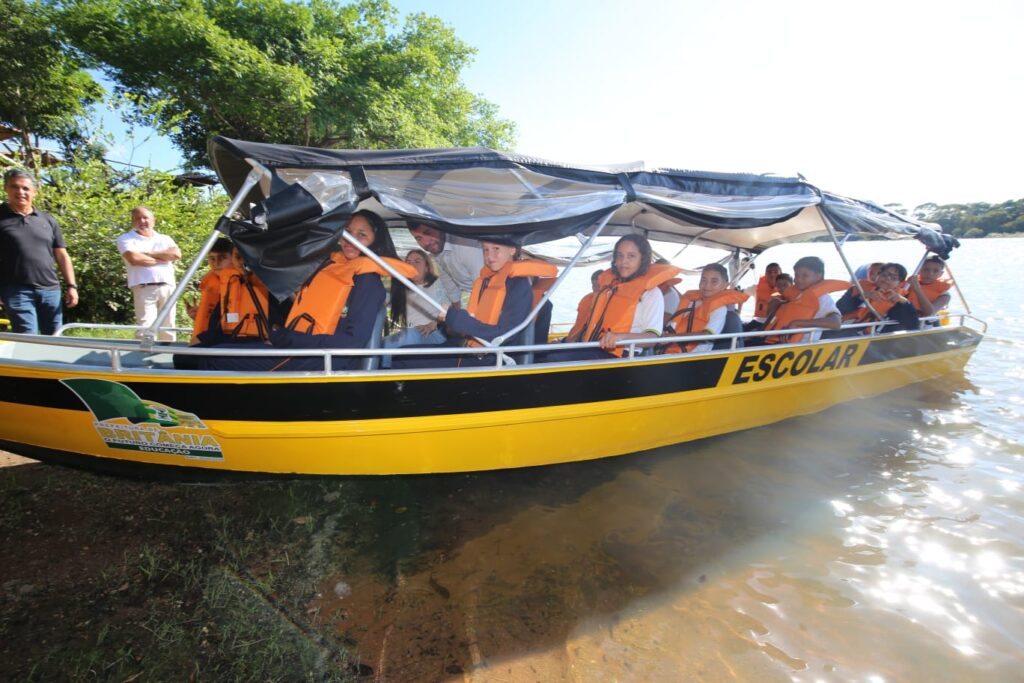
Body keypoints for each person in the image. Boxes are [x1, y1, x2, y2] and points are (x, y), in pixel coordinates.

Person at [197, 211, 414, 371]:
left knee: (208, 359)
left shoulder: (367, 282)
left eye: (362, 234)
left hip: (315, 359)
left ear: (376, 242)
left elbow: (351, 343)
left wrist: (285, 338)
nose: (351, 240)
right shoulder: (333, 267)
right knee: (208, 352)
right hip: (300, 350)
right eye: (348, 232)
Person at [392, 238, 556, 368]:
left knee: (403, 360)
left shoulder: (518, 285)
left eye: (496, 249)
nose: (489, 256)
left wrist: (457, 319)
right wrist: (453, 322)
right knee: (401, 354)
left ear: (512, 250)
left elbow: (507, 335)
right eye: (485, 250)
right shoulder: (488, 280)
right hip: (466, 348)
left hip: (487, 359)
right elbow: (476, 320)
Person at [541, 235, 680, 362]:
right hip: (594, 347)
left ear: (643, 259)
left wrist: (620, 337)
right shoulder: (611, 287)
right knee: (541, 354)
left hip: (620, 356)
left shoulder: (651, 293)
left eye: (631, 256)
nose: (623, 261)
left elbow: (652, 338)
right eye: (620, 256)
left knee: (553, 359)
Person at [0, 168, 78, 334]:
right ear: (6, 188)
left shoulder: (47, 220)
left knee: (55, 337)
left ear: (34, 192)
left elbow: (62, 255)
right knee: (28, 336)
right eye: (15, 187)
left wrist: (72, 286)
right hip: (16, 290)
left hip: (50, 289)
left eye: (25, 188)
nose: (20, 192)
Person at [116, 206, 181, 340]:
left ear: (153, 220)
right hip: (144, 287)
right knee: (145, 329)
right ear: (133, 221)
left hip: (168, 287)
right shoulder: (126, 238)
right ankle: (144, 353)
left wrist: (147, 253)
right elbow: (134, 259)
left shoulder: (165, 238)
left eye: (145, 217)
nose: (142, 221)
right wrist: (163, 258)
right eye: (137, 218)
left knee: (168, 328)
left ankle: (168, 352)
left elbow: (176, 254)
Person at [758, 256, 847, 345]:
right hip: (774, 341)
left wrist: (797, 323)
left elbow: (836, 322)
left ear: (818, 276)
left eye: (805, 276)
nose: (798, 279)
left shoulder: (822, 298)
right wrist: (779, 304)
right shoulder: (796, 293)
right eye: (796, 275)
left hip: (797, 347)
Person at [661, 263, 748, 353]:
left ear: (725, 285)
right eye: (703, 280)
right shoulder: (691, 301)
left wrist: (673, 337)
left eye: (714, 281)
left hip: (691, 356)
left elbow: (708, 335)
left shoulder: (719, 309)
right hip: (667, 350)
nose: (707, 285)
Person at [381, 248, 454, 352]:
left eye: (417, 261)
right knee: (380, 344)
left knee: (410, 336)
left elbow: (447, 307)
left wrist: (432, 325)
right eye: (408, 262)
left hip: (433, 333)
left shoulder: (437, 284)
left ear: (427, 268)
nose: (412, 265)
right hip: (409, 333)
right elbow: (382, 300)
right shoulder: (403, 290)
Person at [408, 223, 484, 306]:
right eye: (419, 238)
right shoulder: (437, 247)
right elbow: (447, 278)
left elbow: (483, 285)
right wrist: (456, 307)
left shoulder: (465, 246)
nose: (426, 243)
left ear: (439, 226)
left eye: (428, 232)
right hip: (471, 294)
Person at [838, 262, 919, 333]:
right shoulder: (860, 288)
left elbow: (913, 325)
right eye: (884, 275)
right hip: (843, 328)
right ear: (877, 275)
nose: (887, 278)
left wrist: (904, 302)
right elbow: (839, 309)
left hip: (869, 336)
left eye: (893, 278)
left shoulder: (899, 300)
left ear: (900, 283)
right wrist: (861, 297)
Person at [185, 237, 233, 344]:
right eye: (212, 258)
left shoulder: (242, 283)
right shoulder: (209, 281)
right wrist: (199, 316)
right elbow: (214, 319)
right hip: (208, 338)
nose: (216, 263)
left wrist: (202, 340)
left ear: (234, 257)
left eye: (222, 257)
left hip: (227, 341)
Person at [564, 269, 603, 341]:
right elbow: (579, 323)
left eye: (599, 285)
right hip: (575, 338)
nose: (596, 288)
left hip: (586, 340)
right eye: (594, 285)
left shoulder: (608, 304)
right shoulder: (586, 299)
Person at [744, 262, 781, 331]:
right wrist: (738, 311)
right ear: (765, 274)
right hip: (758, 322)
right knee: (741, 330)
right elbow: (741, 294)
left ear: (780, 274)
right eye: (769, 272)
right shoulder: (756, 288)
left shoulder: (785, 289)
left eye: (775, 272)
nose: (772, 274)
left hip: (776, 324)